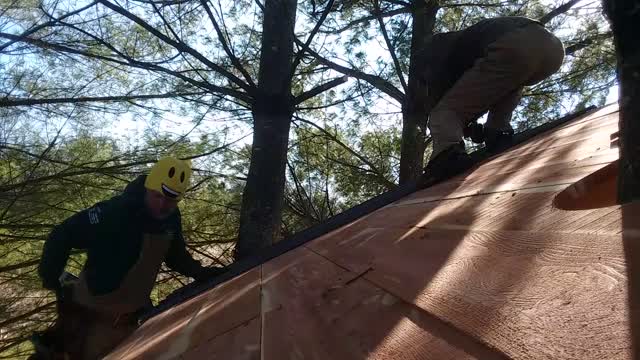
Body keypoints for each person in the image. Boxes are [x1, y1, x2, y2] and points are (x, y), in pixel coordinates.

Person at [33, 156, 224, 359]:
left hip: (129, 326)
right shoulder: (114, 212)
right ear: (148, 187)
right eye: (157, 196)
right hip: (87, 321)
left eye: (170, 200)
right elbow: (62, 234)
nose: (162, 205)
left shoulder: (171, 219)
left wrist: (200, 272)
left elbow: (176, 256)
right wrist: (51, 277)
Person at [421, 16, 565, 181]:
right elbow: (484, 91)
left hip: (515, 44)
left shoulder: (437, 52)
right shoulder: (467, 42)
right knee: (509, 81)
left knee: (443, 112)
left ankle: (446, 156)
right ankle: (497, 131)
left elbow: (444, 101)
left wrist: (463, 128)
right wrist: (471, 128)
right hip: (554, 50)